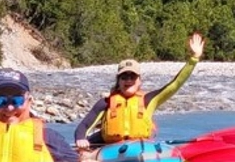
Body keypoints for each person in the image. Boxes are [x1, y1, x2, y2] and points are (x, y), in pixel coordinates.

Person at [73, 32, 204, 147]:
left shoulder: (148, 100)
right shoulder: (105, 103)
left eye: (133, 76)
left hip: (141, 148)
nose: (128, 80)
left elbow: (175, 84)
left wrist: (194, 58)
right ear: (118, 81)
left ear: (139, 81)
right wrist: (80, 139)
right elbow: (83, 127)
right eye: (124, 77)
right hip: (109, 150)